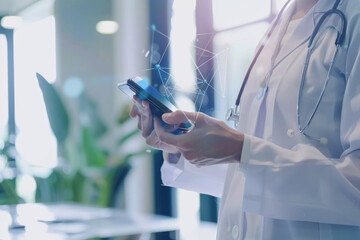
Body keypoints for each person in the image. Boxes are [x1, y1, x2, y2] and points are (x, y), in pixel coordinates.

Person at [130, 0, 360, 239]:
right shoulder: (278, 27)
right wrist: (185, 146)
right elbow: (255, 175)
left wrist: (242, 150)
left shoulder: (353, 16)